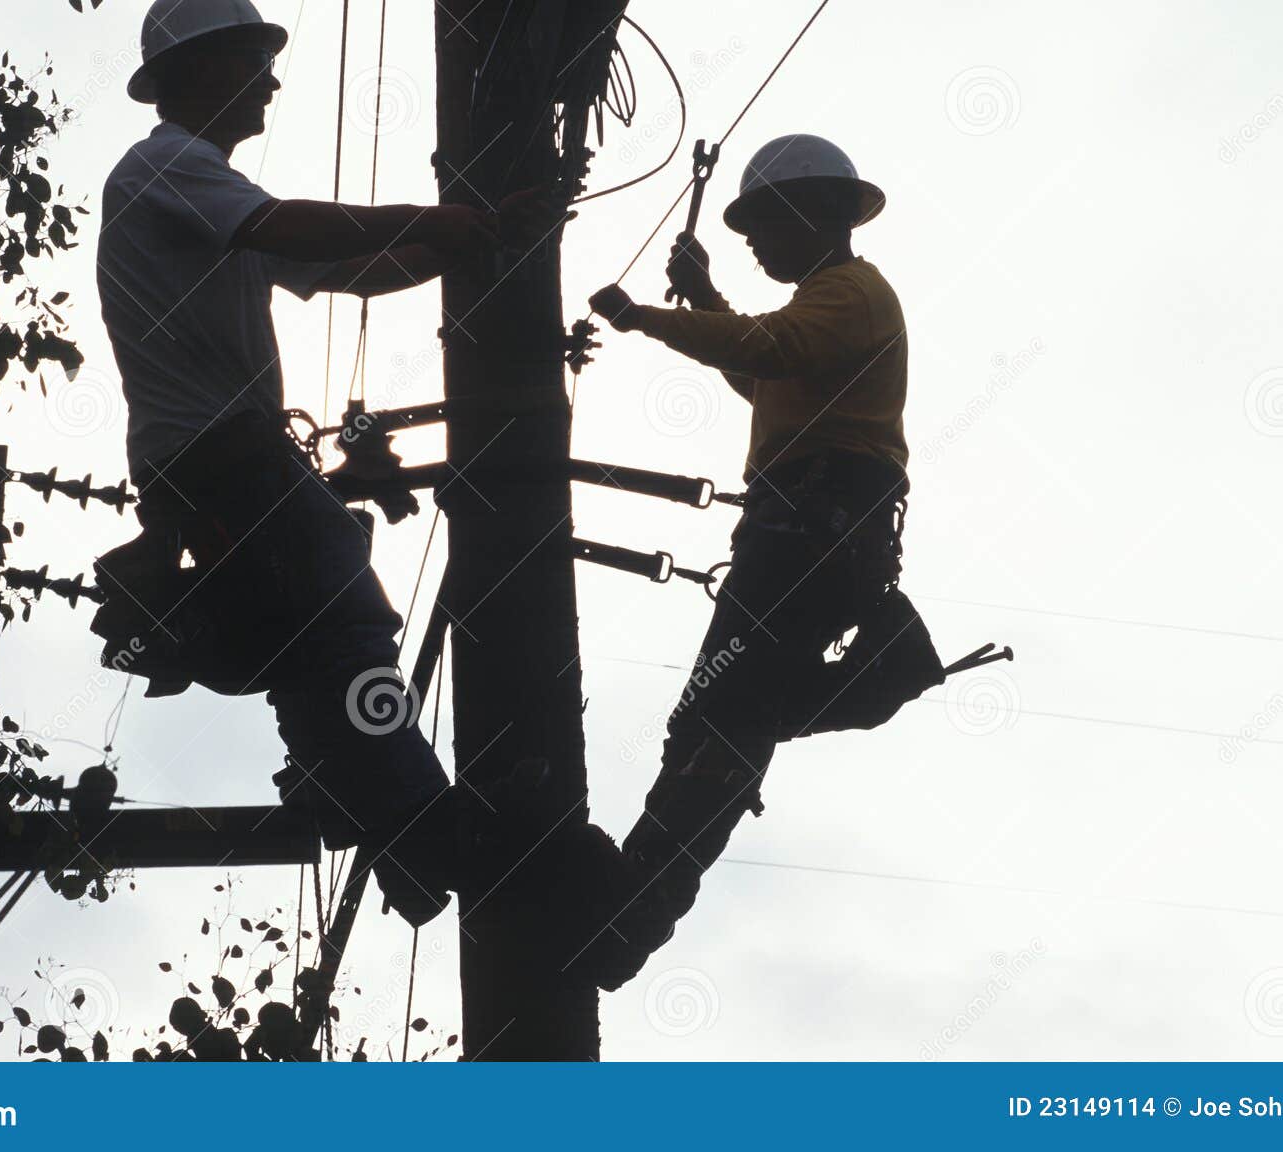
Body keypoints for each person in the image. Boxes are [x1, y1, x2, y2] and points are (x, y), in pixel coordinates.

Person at [95, 0, 555, 926]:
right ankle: (423, 824)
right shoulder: (166, 169)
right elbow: (308, 231)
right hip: (223, 458)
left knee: (316, 641)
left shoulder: (203, 198)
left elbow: (357, 267)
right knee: (344, 619)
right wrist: (452, 219)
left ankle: (368, 816)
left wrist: (474, 235)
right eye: (252, 60)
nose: (270, 79)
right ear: (199, 71)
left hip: (213, 463)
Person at [584, 134, 926, 980]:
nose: (754, 245)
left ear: (813, 217)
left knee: (717, 720)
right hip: (809, 533)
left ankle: (630, 918)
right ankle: (630, 914)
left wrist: (648, 318)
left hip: (809, 533)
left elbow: (769, 353)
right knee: (727, 718)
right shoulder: (830, 303)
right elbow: (769, 373)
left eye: (762, 230)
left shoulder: (852, 291)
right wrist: (703, 298)